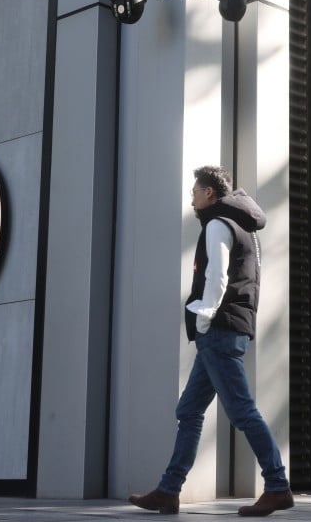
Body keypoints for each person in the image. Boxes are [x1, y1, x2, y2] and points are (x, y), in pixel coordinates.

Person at [129, 166, 294, 517]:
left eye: (194, 192)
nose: (191, 199)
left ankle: (278, 485)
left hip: (218, 330)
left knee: (242, 411)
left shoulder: (218, 224)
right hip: (227, 330)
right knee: (189, 411)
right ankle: (169, 491)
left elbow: (216, 276)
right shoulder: (245, 227)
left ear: (209, 193)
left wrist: (203, 316)